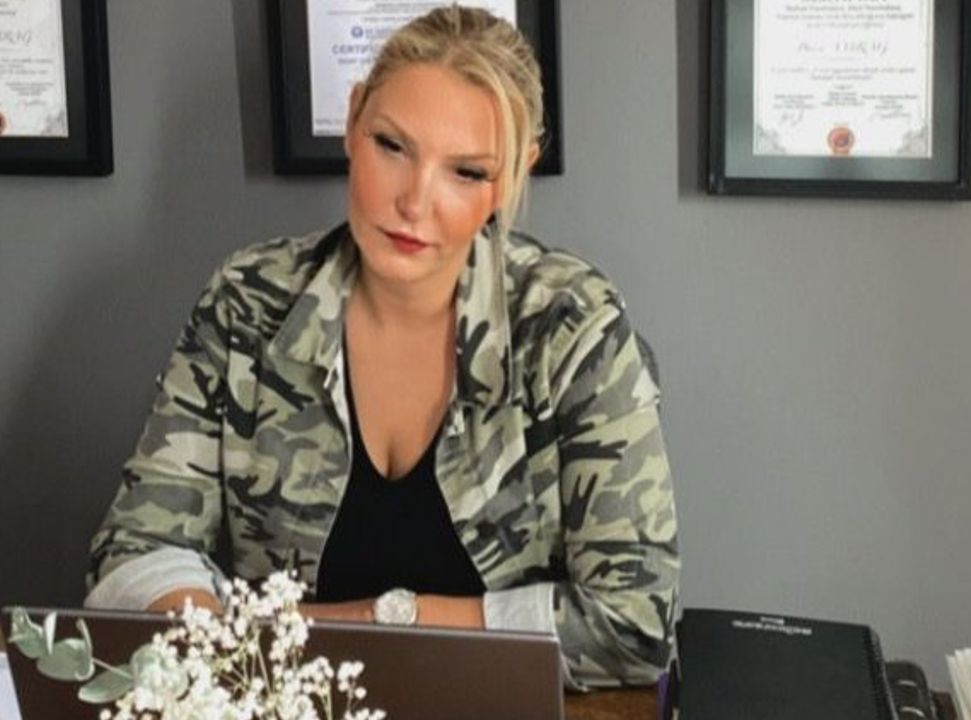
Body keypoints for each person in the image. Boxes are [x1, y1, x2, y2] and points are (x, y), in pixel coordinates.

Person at [84, 6, 678, 690]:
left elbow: (634, 623)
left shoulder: (572, 326)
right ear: (354, 119)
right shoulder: (248, 301)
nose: (415, 202)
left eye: (467, 172)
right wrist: (228, 656)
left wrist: (381, 619)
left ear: (516, 174)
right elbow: (133, 552)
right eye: (392, 146)